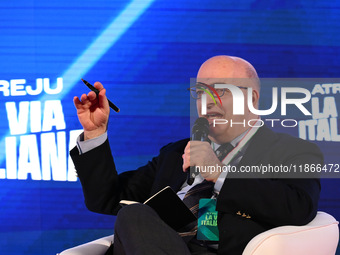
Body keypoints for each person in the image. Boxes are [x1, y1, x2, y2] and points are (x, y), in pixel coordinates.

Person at [70, 55, 323, 254]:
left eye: (221, 91)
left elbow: (299, 208)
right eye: (202, 92)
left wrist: (220, 174)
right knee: (134, 214)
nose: (208, 100)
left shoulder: (294, 152)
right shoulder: (176, 153)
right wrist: (95, 133)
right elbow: (106, 199)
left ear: (252, 98)